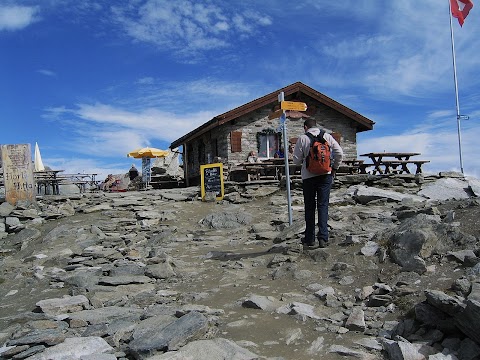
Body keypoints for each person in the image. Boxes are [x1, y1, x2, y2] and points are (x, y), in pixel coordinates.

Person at [292, 118, 343, 248]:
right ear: (316, 125)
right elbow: (339, 153)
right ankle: (323, 238)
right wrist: (334, 168)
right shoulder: (327, 136)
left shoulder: (302, 138)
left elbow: (296, 162)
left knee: (309, 207)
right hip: (325, 175)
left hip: (308, 176)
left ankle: (310, 239)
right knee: (323, 205)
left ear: (305, 127)